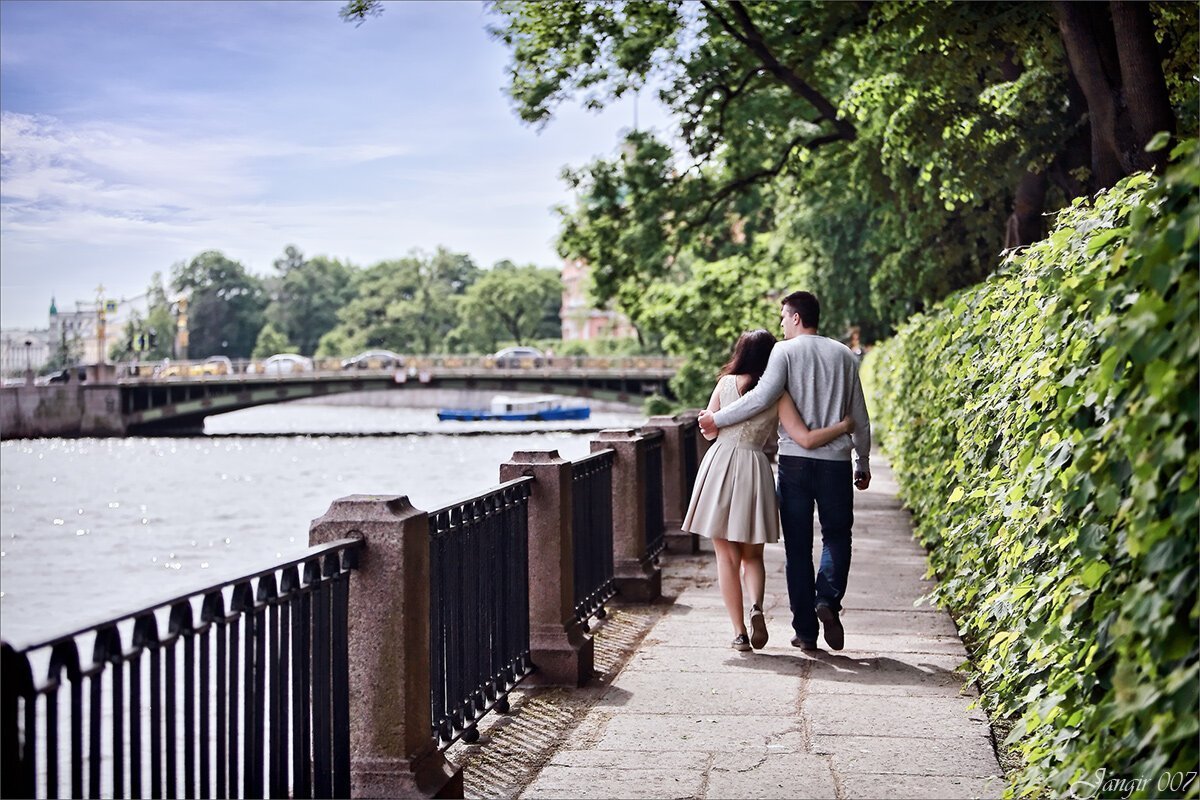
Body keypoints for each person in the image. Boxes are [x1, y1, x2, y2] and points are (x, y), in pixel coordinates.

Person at [698, 291, 871, 652]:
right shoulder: (842, 354)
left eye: (782, 317)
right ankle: (827, 600)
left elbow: (761, 398)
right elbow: (860, 415)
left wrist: (716, 419)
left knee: (797, 548)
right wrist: (863, 462)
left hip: (794, 462)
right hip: (836, 463)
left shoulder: (783, 352)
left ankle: (805, 632)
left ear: (795, 317)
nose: (780, 324)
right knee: (838, 537)